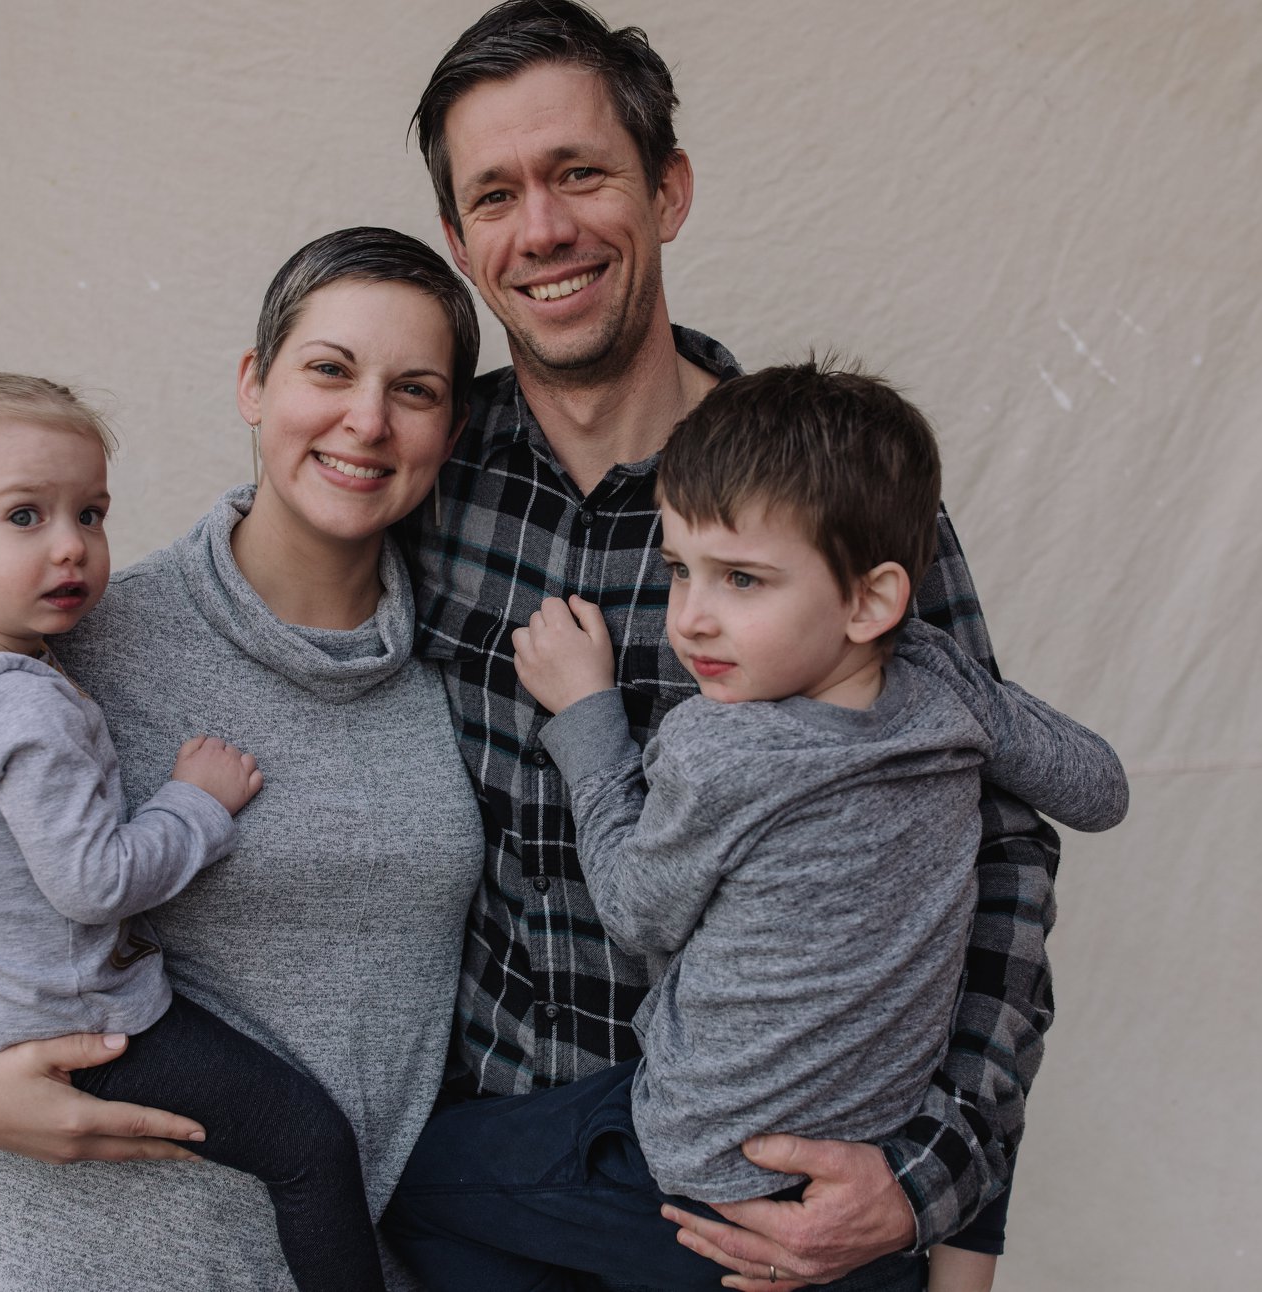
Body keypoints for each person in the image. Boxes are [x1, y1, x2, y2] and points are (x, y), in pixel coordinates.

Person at [403, 2, 1063, 1286]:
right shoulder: (423, 477)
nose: (541, 228)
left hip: (776, 1205)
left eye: (580, 173)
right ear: (460, 240)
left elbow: (999, 852)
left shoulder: (819, 501)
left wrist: (942, 1196)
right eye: (495, 194)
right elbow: (234, 639)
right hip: (495, 1173)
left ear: (669, 189)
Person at [0, 227, 487, 1290]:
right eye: (329, 369)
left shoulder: (460, 674)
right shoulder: (63, 640)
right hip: (79, 1262)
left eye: (415, 389)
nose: (367, 418)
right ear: (253, 385)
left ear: (449, 429)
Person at [384, 362, 1129, 1291]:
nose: (691, 619)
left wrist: (587, 717)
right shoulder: (943, 689)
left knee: (408, 1184)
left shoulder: (720, 748)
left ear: (871, 599)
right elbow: (1099, 789)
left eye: (741, 579)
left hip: (701, 1182)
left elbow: (633, 909)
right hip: (866, 1159)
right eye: (679, 570)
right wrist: (972, 688)